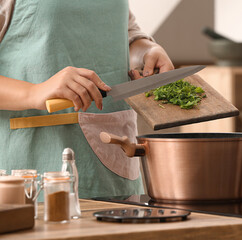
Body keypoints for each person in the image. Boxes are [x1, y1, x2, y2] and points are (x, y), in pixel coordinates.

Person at [0, 0, 174, 198]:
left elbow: (124, 31)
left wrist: (145, 51)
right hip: (34, 168)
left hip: (114, 168)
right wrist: (33, 92)